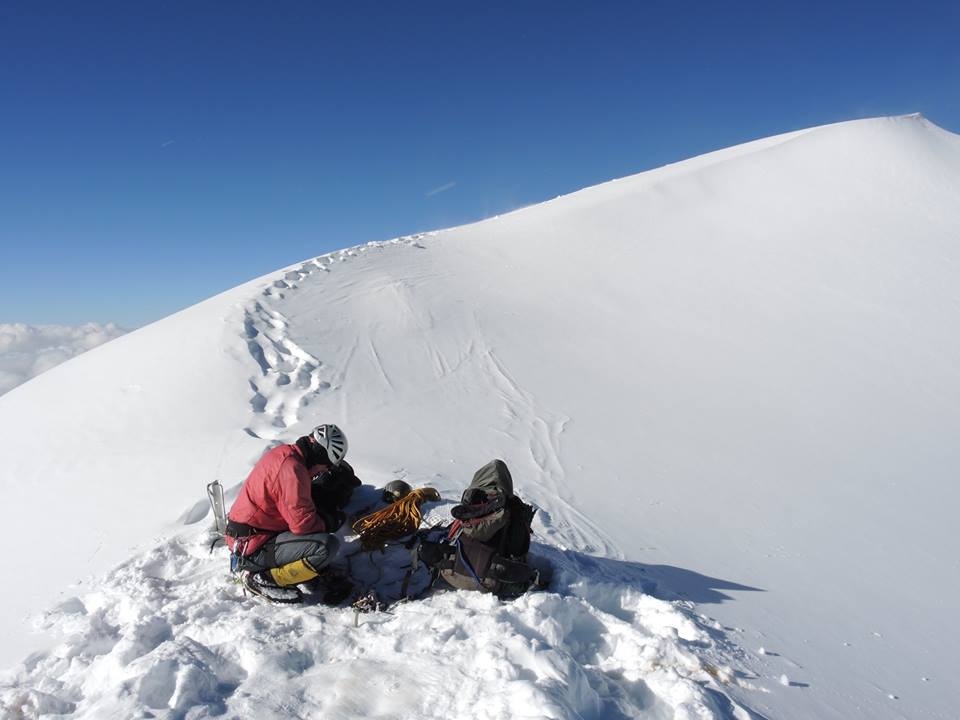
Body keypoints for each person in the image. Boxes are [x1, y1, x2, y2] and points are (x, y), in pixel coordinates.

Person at [225, 423, 359, 603]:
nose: (324, 471)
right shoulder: (292, 470)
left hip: (251, 535)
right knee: (326, 547)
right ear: (320, 455)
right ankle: (266, 580)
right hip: (252, 548)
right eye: (325, 466)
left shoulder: (287, 454)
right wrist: (330, 522)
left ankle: (299, 568)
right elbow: (303, 526)